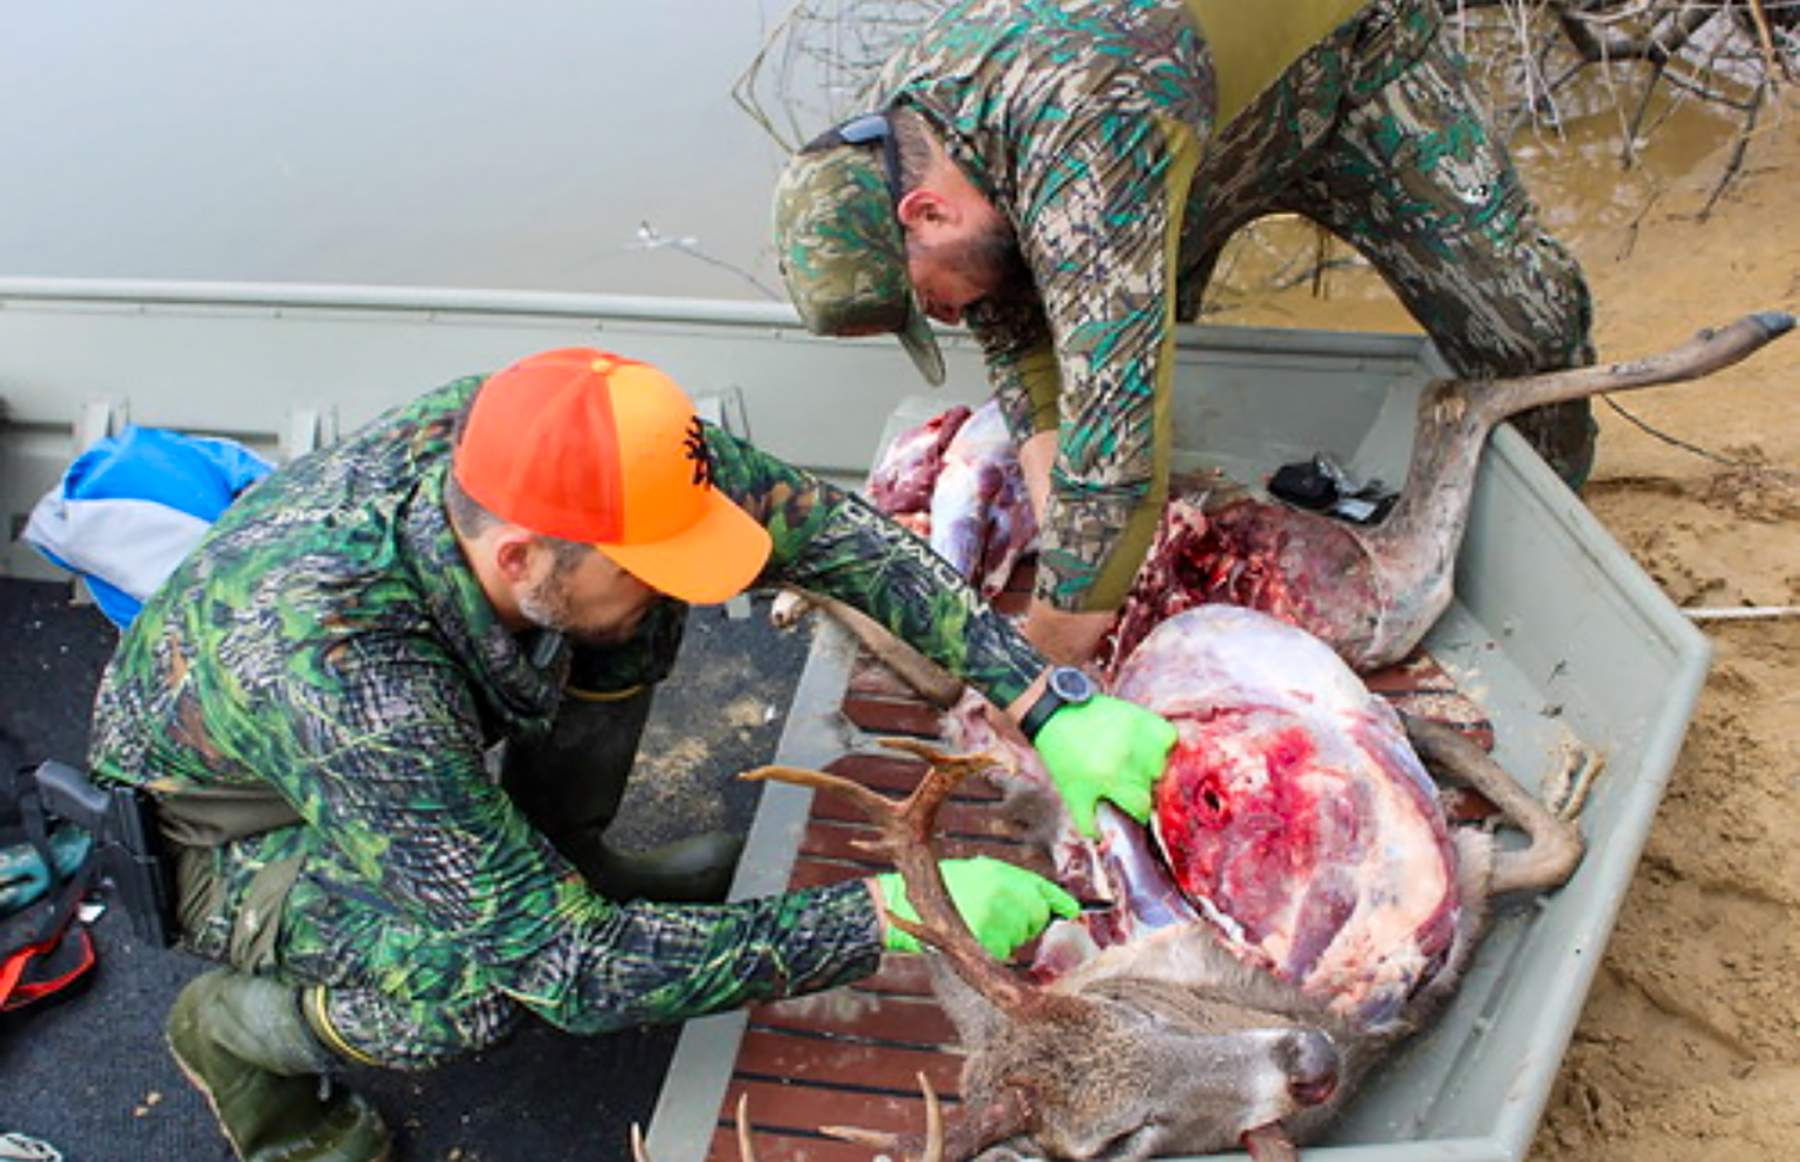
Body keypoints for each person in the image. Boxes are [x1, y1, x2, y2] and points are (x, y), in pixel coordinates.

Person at [86, 348, 1177, 1161]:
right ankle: (233, 1034)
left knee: (630, 619)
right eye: (639, 557)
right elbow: (573, 972)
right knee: (473, 986)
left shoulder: (549, 442)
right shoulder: (351, 679)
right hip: (228, 833)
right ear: (517, 555)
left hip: (398, 734)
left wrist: (1044, 697)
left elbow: (819, 531)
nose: (676, 575)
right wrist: (894, 913)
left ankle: (572, 861)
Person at [772, 0, 1596, 666]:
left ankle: (1553, 542)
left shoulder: (1082, 129)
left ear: (927, 212)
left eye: (930, 300)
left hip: (1355, 69)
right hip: (1189, 140)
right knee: (1123, 420)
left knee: (1527, 324)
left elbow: (1116, 458)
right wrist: (1069, 512)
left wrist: (1033, 687)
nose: (949, 318)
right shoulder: (907, 136)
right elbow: (1014, 327)